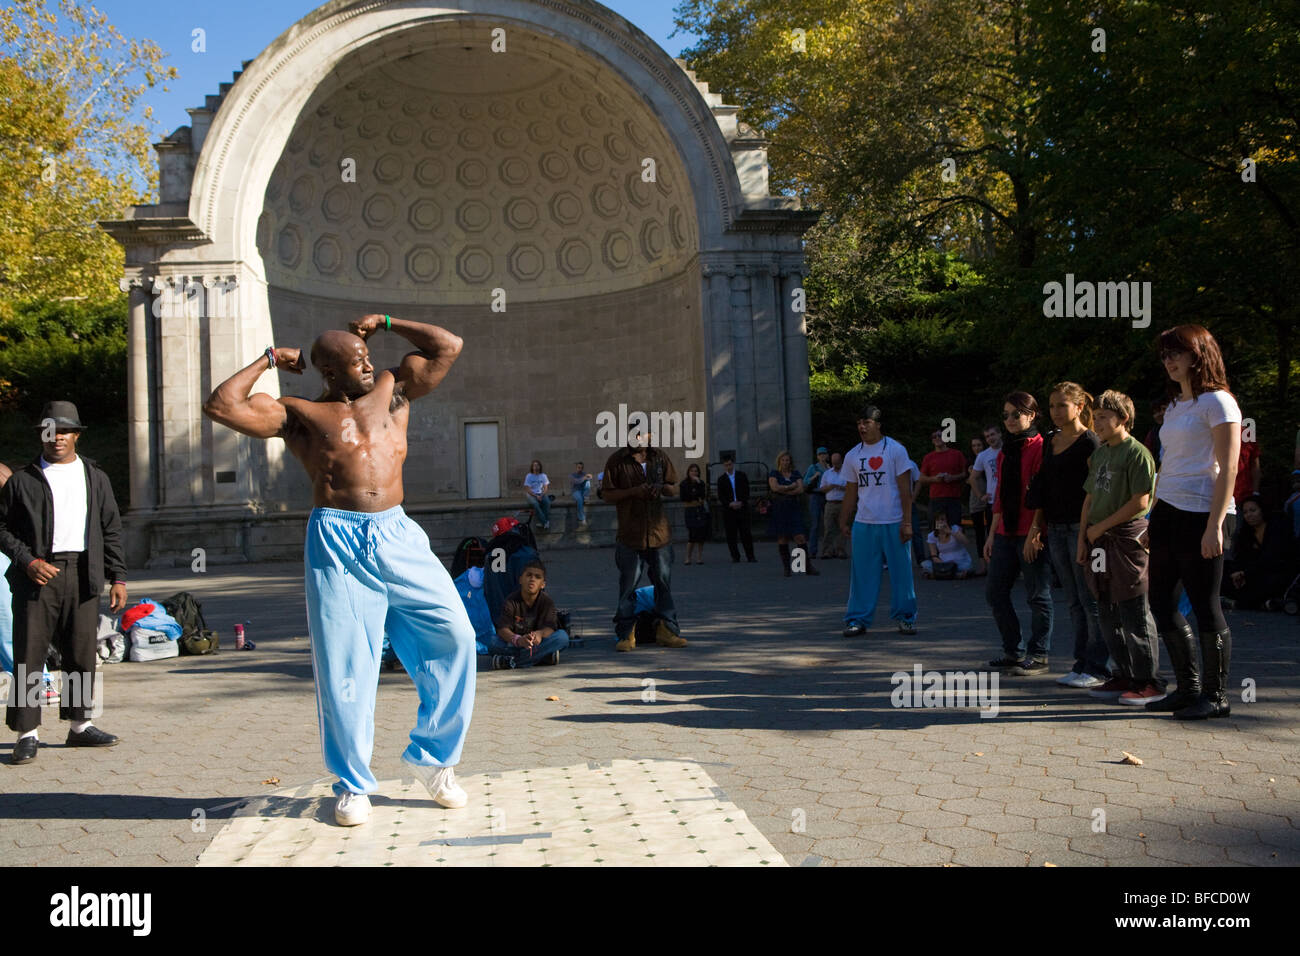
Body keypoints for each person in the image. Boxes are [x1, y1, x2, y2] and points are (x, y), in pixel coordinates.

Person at [203, 313, 477, 826]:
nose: (369, 364)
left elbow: (448, 345)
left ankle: (433, 759)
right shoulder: (299, 412)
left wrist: (388, 322)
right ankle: (352, 785)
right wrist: (269, 360)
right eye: (357, 361)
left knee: (456, 635)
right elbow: (221, 405)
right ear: (329, 371)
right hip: (337, 538)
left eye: (368, 354)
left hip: (398, 533)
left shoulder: (394, 390)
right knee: (346, 668)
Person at [1, 402, 128, 764]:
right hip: (37, 575)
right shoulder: (23, 480)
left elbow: (111, 528)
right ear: (42, 434)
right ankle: (27, 733)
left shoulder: (95, 477)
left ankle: (79, 727)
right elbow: (2, 528)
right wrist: (27, 562)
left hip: (84, 572)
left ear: (76, 435)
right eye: (50, 431)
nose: (57, 438)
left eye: (65, 431)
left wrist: (117, 576)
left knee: (82, 651)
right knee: (29, 653)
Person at [1145, 324, 1240, 720]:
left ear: (1198, 354)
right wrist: (1153, 514)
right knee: (1160, 600)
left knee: (1204, 603)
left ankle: (1216, 697)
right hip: (1167, 509)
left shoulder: (1219, 402)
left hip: (1204, 511)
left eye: (1175, 353)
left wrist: (1215, 525)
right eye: (1164, 355)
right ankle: (1188, 689)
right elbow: (1170, 462)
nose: (1168, 361)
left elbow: (1229, 467)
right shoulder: (1176, 406)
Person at [1079, 390, 1166, 706]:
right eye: (1096, 417)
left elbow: (1140, 501)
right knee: (1105, 606)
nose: (1097, 422)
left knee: (1133, 608)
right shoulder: (1100, 453)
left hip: (1126, 541)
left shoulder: (1138, 453)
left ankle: (1149, 681)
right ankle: (1123, 674)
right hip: (1097, 541)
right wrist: (1083, 540)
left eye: (1104, 417)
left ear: (1123, 419)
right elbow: (1090, 498)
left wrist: (1101, 527)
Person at [1025, 382, 1108, 689]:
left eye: (1062, 405)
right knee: (1073, 600)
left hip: (1081, 528)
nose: (1056, 412)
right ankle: (1081, 662)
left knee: (1090, 599)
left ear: (1078, 407)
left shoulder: (1091, 441)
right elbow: (1043, 488)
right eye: (1051, 406)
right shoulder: (1050, 440)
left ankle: (1099, 666)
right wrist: (1036, 528)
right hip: (1056, 528)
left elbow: (1097, 491)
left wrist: (1088, 533)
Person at [983, 392, 1053, 675]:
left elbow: (1042, 494)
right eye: (1006, 415)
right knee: (995, 592)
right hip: (1004, 531)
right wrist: (990, 535)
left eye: (1016, 414)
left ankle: (1039, 655)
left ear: (1031, 415)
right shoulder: (1004, 451)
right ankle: (1013, 650)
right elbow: (999, 495)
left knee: (1038, 595)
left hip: (1030, 531)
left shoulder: (1042, 446)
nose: (1009, 420)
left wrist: (1036, 532)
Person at [601, 430, 687, 651]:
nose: (639, 439)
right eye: (634, 434)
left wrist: (660, 489)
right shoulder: (617, 460)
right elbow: (607, 494)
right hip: (631, 534)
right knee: (628, 585)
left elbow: (673, 487)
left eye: (643, 434)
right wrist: (633, 492)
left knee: (663, 583)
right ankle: (626, 634)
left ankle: (667, 630)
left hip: (659, 533)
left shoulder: (659, 457)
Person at [839, 405, 918, 636]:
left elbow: (906, 490)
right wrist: (844, 520)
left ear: (878, 424)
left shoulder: (895, 450)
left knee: (901, 572)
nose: (862, 427)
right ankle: (857, 619)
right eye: (859, 423)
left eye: (867, 422)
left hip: (894, 521)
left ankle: (906, 617)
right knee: (862, 574)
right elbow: (851, 491)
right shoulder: (853, 455)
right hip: (864, 522)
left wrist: (907, 522)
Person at [487, 560, 569, 668]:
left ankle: (512, 662)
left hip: (537, 643)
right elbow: (502, 629)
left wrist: (539, 634)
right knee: (493, 642)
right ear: (520, 579)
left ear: (543, 584)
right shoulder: (511, 601)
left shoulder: (547, 602)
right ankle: (542, 657)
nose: (532, 579)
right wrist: (518, 640)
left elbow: (550, 628)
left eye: (537, 577)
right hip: (516, 643)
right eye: (529, 575)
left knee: (562, 637)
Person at [1221, 495, 1294, 610]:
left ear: (1262, 510)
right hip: (1250, 573)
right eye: (1245, 512)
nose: (1249, 515)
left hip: (1274, 571)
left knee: (1265, 584)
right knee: (1225, 572)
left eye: (1253, 510)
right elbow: (1241, 556)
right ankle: (1264, 604)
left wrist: (1245, 573)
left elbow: (1272, 558)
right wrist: (1238, 572)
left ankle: (1241, 603)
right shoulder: (1246, 533)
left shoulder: (1276, 527)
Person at [769, 451, 819, 577]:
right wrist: (790, 487)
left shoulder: (795, 473)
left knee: (800, 537)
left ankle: (805, 566)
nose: (786, 462)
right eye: (783, 460)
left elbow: (800, 489)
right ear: (779, 461)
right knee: (783, 537)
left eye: (787, 460)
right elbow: (774, 488)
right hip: (780, 508)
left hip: (794, 507)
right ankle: (787, 568)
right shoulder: (774, 473)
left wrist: (785, 489)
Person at [919, 430, 967, 531]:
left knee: (955, 530)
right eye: (934, 437)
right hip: (936, 499)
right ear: (932, 440)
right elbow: (921, 478)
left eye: (939, 436)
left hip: (953, 499)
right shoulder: (928, 457)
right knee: (938, 531)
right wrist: (934, 479)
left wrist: (952, 477)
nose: (937, 438)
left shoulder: (957, 454)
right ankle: (936, 547)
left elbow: (964, 474)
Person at [716, 454, 757, 563]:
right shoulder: (721, 480)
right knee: (731, 535)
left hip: (742, 508)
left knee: (746, 533)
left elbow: (746, 491)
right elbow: (721, 495)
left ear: (733, 464)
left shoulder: (741, 475)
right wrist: (729, 504)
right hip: (729, 510)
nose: (728, 467)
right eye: (726, 465)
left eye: (729, 464)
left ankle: (750, 556)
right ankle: (735, 556)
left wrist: (741, 502)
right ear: (723, 466)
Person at [1225, 429, 1260, 542]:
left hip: (1244, 496)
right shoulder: (1214, 430)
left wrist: (1255, 493)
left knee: (1239, 534)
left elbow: (1255, 466)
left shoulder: (1248, 433)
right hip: (1221, 495)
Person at [921, 513, 973, 578]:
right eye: (938, 520)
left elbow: (966, 542)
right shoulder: (932, 535)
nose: (940, 522)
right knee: (925, 564)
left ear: (947, 521)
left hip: (959, 561)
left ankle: (938, 575)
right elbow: (934, 556)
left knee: (966, 567)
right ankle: (955, 575)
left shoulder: (954, 528)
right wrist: (943, 564)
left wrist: (950, 532)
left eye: (942, 520)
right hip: (943, 562)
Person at [803, 447, 832, 559]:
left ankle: (828, 550)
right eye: (820, 454)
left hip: (827, 496)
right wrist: (814, 477)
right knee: (815, 524)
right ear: (817, 456)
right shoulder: (813, 467)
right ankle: (812, 550)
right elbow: (805, 481)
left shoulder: (830, 468)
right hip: (815, 495)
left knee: (828, 524)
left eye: (824, 454)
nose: (822, 456)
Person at [819, 452, 849, 559]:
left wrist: (841, 487)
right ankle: (827, 551)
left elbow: (852, 487)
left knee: (842, 528)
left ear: (841, 461)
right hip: (830, 503)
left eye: (837, 462)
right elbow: (822, 488)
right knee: (828, 528)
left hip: (842, 503)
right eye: (834, 462)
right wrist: (831, 486)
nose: (835, 464)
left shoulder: (847, 473)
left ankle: (840, 550)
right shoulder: (827, 474)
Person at [679, 463, 710, 565]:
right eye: (692, 471)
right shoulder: (684, 484)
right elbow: (685, 497)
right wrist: (695, 495)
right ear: (688, 472)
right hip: (690, 510)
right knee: (692, 533)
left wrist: (698, 486)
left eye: (696, 471)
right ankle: (688, 557)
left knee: (701, 534)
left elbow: (703, 495)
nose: (694, 473)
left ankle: (699, 557)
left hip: (699, 509)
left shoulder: (701, 483)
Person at [967, 436, 991, 563]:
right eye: (974, 446)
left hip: (990, 498)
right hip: (976, 500)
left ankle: (992, 561)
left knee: (991, 532)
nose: (976, 448)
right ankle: (982, 563)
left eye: (979, 445)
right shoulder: (970, 462)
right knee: (979, 533)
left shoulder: (989, 457)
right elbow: (968, 480)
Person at [524, 460, 552, 530]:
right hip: (531, 494)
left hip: (541, 494)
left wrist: (541, 495)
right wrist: (536, 496)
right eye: (534, 465)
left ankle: (543, 522)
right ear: (532, 467)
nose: (536, 467)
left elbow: (546, 488)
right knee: (535, 504)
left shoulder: (543, 476)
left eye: (537, 465)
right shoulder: (529, 476)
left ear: (540, 467)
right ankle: (545, 522)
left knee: (547, 502)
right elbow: (528, 489)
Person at [569, 462, 593, 527]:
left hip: (583, 491)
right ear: (576, 468)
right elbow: (576, 481)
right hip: (575, 491)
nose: (580, 469)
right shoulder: (572, 475)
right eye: (579, 467)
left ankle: (586, 497)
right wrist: (584, 478)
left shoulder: (584, 474)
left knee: (588, 482)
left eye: (581, 468)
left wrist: (590, 476)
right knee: (579, 499)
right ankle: (582, 518)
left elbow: (589, 478)